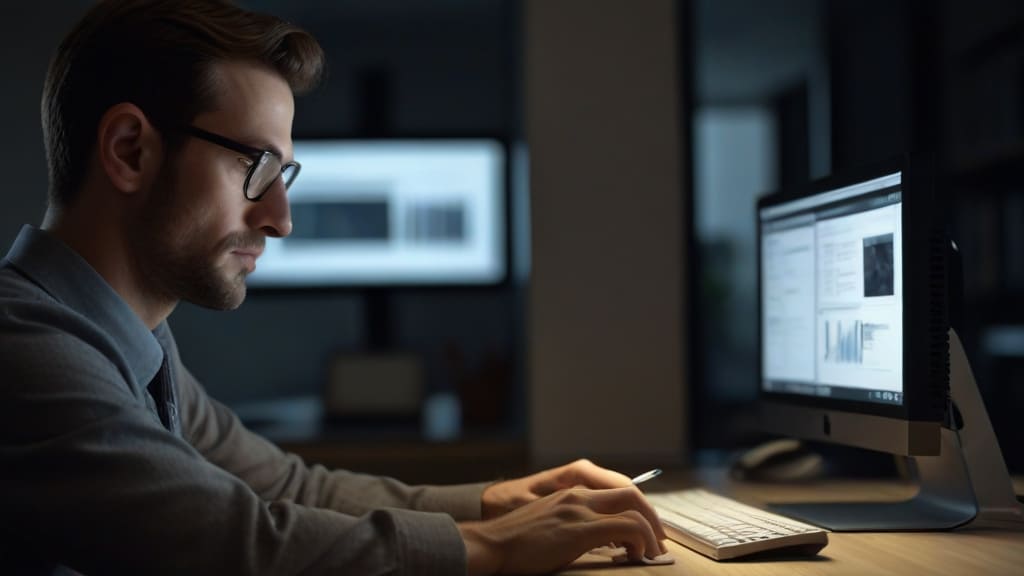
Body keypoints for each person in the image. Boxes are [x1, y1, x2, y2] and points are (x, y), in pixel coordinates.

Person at [0, 1, 667, 574]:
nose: (280, 220)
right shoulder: (24, 348)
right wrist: (492, 546)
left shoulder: (134, 342)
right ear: (129, 151)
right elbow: (235, 548)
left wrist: (500, 502)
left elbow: (285, 486)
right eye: (255, 167)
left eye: (283, 177)